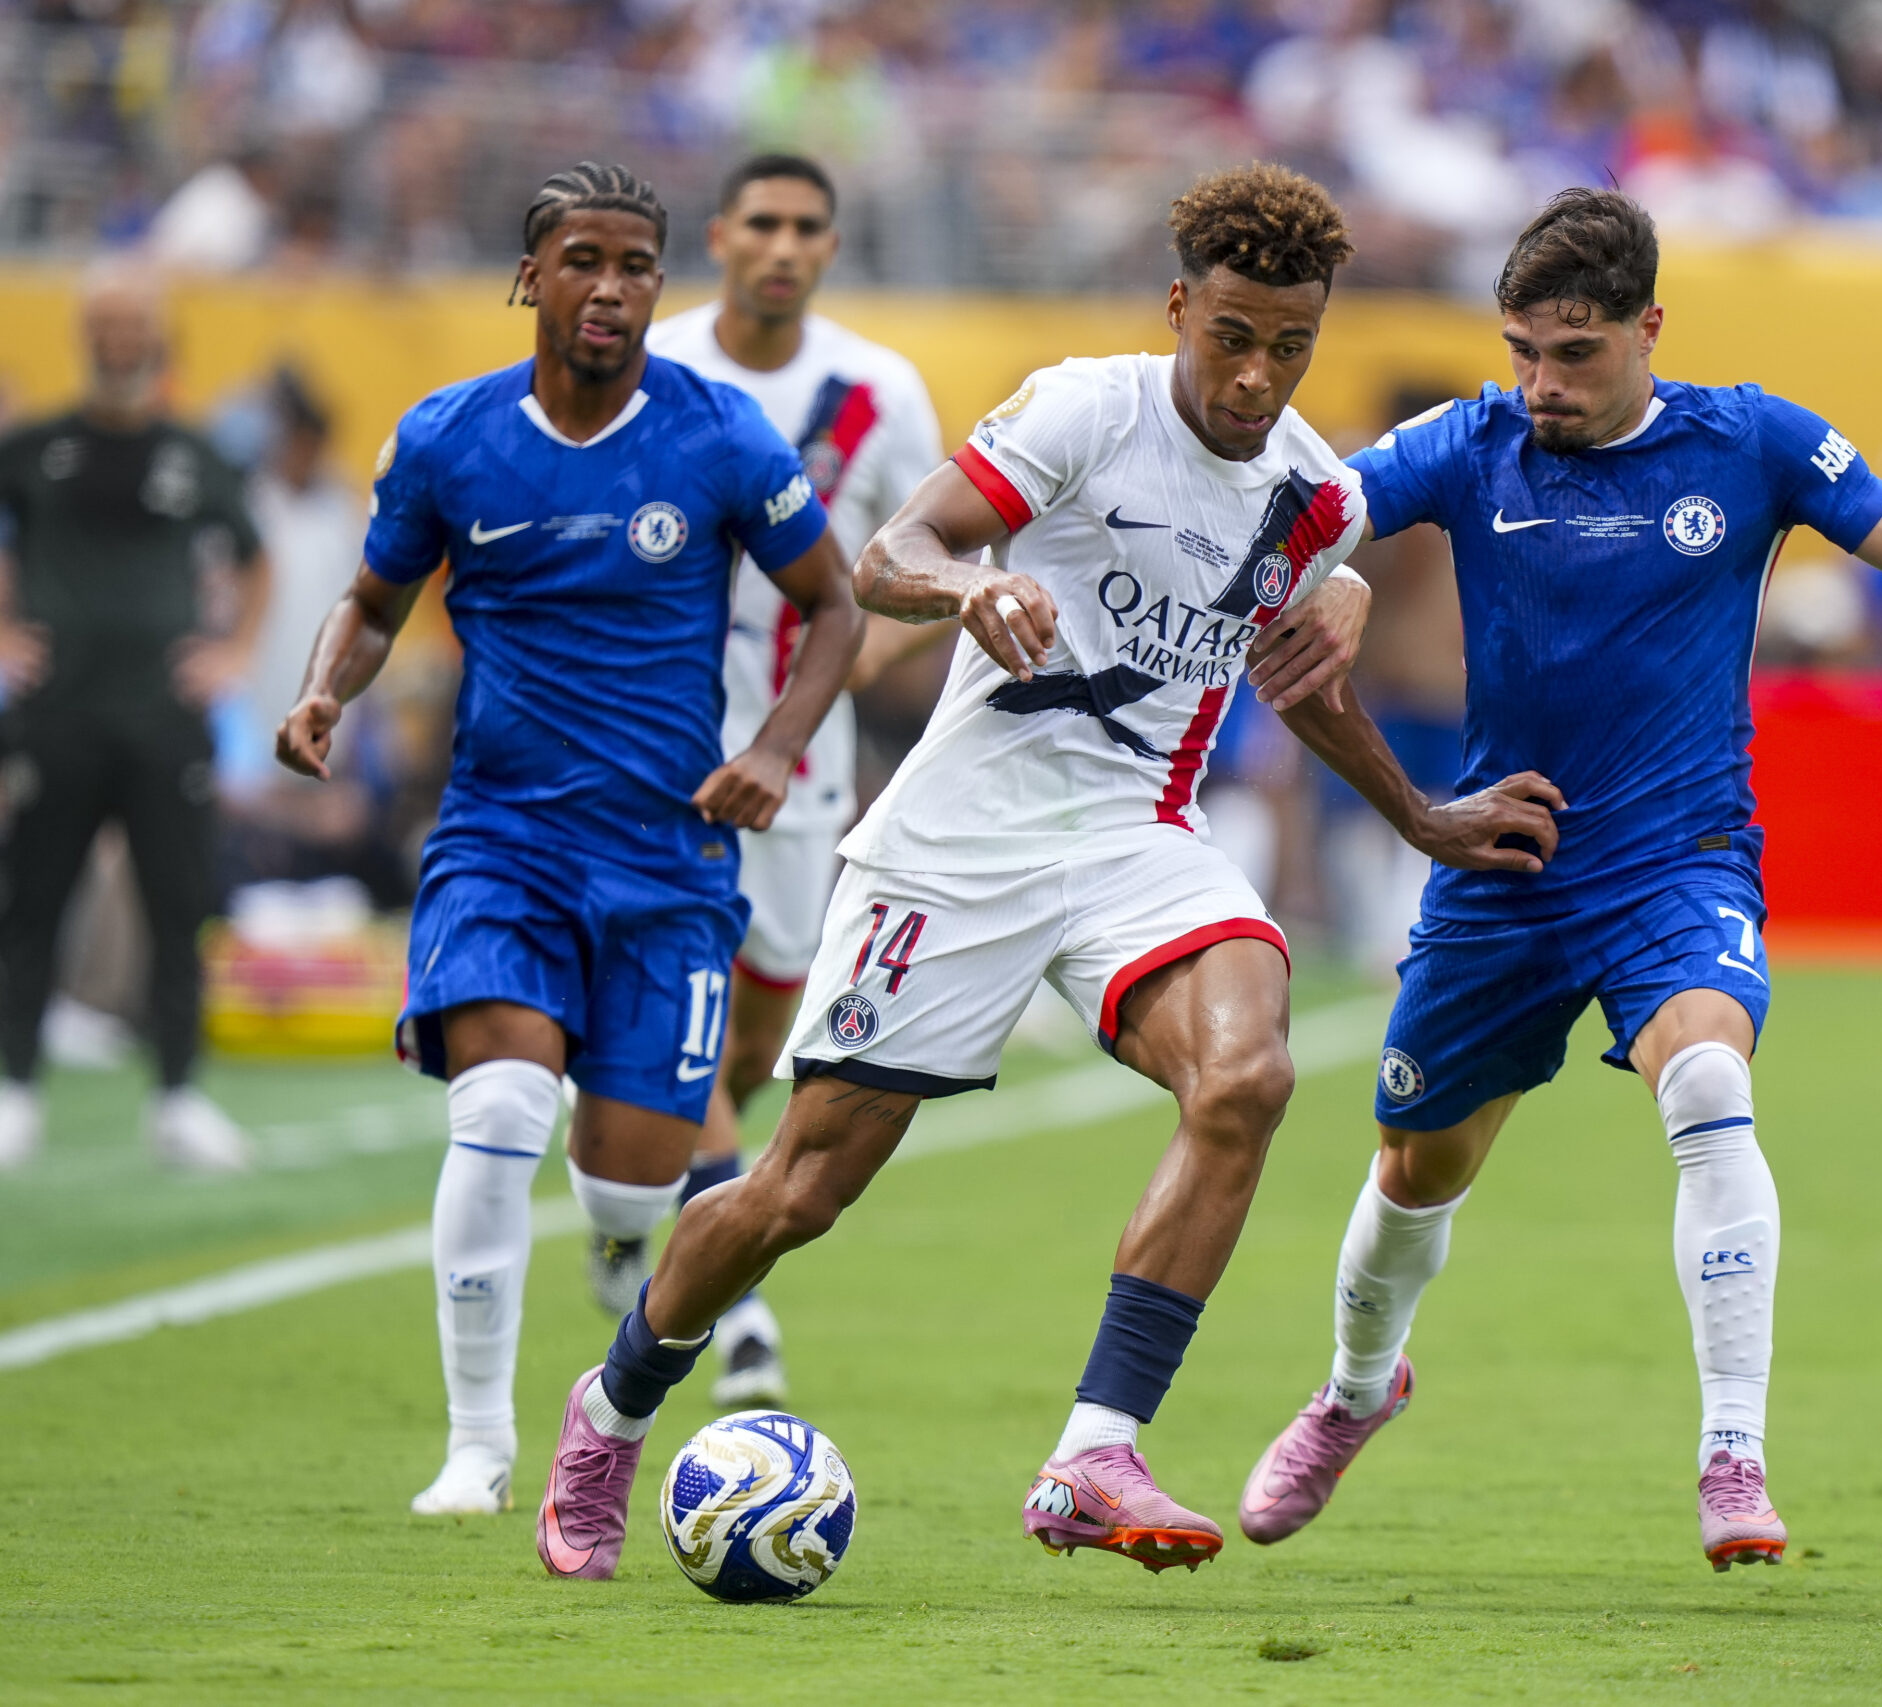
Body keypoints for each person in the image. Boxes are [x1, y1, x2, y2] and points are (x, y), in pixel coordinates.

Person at [531, 163, 1552, 1584]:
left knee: (1247, 1074)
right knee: (799, 1190)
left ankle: (1094, 1449)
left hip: (1139, 835)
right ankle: (613, 1407)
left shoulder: (1313, 498)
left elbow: (1303, 684)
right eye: (1233, 336)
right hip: (960, 842)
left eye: (1291, 346)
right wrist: (972, 584)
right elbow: (889, 553)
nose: (1256, 376)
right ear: (1180, 306)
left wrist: (1418, 814)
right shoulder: (1086, 409)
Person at [1235, 189, 1882, 1571]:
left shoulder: (1753, 442)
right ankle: (1357, 1390)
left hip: (1677, 861)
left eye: (1574, 354)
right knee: (1415, 1169)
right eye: (1521, 352)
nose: (1541, 383)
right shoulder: (1472, 442)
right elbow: (1309, 512)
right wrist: (1336, 572)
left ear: (1647, 329)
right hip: (1503, 862)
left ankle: (1734, 1451)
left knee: (1709, 1080)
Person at [274, 162, 860, 1519]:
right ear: (530, 276)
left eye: (636, 265)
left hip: (667, 860)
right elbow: (372, 603)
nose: (610, 288)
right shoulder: (448, 436)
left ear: (660, 280)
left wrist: (774, 748)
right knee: (496, 1109)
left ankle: (617, 1241)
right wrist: (323, 688)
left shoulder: (719, 434)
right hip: (504, 840)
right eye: (583, 260)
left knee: (627, 1187)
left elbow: (832, 605)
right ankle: (477, 1448)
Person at [621, 152, 948, 1407]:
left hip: (801, 769)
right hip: (657, 755)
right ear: (720, 236)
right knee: (684, 1028)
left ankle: (645, 1208)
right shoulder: (655, 366)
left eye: (807, 227)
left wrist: (846, 667)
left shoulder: (877, 390)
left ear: (829, 246)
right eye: (762, 222)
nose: (784, 245)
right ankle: (731, 1305)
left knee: (755, 1043)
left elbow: (935, 567)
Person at [0, 267, 272, 1173]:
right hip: (58, 715)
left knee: (177, 905)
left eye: (134, 323)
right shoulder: (34, 447)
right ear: (86, 333)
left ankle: (178, 1097)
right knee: (31, 903)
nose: (120, 339)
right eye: (106, 323)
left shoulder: (195, 453)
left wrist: (233, 652)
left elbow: (256, 557)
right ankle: (16, 1090)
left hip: (164, 719)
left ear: (157, 336)